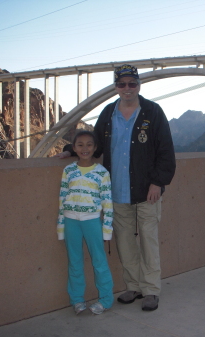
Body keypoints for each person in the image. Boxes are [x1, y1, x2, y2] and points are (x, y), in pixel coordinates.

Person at [57, 64, 176, 311]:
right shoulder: (109, 113)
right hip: (117, 193)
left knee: (148, 240)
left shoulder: (152, 112)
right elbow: (95, 145)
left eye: (132, 83)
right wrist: (72, 149)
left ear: (139, 84)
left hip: (147, 191)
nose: (127, 88)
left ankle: (151, 289)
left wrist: (158, 181)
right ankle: (133, 286)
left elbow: (165, 151)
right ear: (116, 87)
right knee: (124, 242)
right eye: (122, 84)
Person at [57, 130, 114, 315]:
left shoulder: (101, 172)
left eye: (89, 144)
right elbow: (62, 198)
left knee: (99, 261)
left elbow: (107, 202)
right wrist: (61, 227)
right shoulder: (68, 171)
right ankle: (77, 299)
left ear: (95, 147)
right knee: (74, 262)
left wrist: (107, 229)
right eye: (80, 145)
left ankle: (105, 299)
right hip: (71, 221)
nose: (85, 148)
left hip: (92, 222)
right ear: (74, 148)